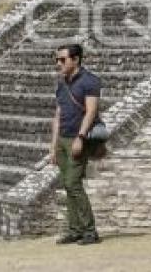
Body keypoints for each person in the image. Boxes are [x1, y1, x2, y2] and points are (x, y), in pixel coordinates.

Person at [50, 43, 102, 245]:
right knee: (67, 184)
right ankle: (75, 230)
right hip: (62, 139)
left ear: (76, 59)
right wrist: (53, 145)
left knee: (73, 183)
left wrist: (80, 137)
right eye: (56, 59)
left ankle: (90, 231)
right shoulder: (62, 82)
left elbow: (90, 111)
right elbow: (58, 113)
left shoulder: (90, 81)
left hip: (77, 138)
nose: (58, 63)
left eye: (62, 59)